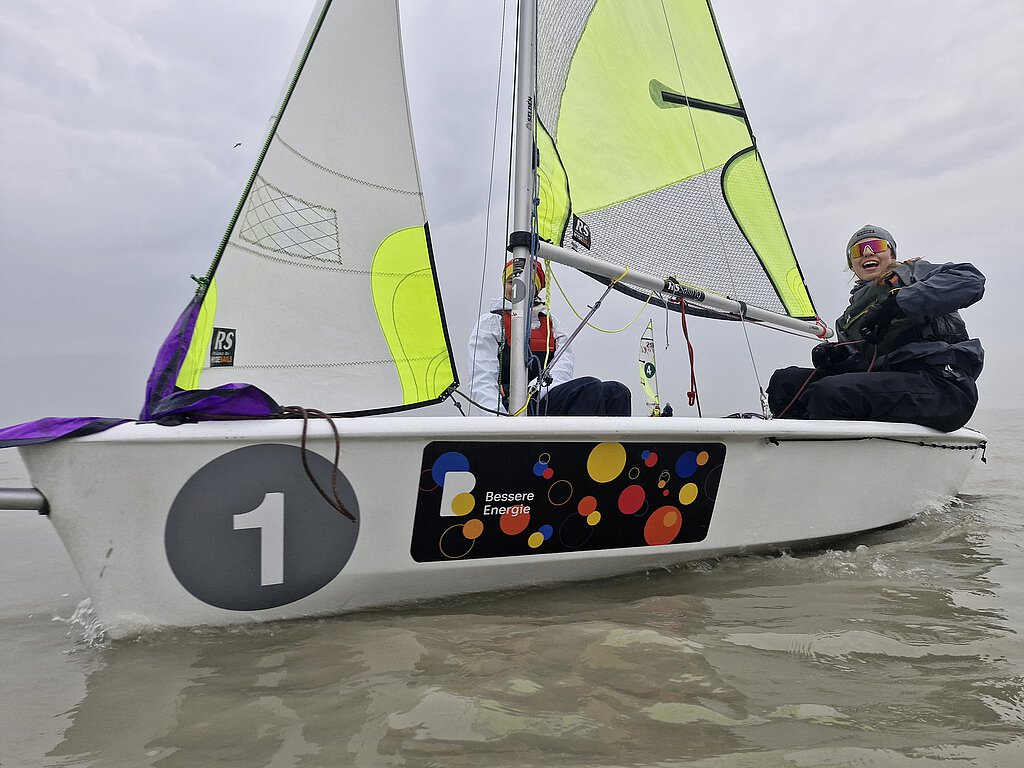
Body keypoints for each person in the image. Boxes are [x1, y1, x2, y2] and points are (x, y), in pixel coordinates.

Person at [767, 224, 985, 432]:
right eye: (858, 250)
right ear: (851, 264)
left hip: (943, 386)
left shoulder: (914, 273)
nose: (868, 252)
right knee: (785, 382)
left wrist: (897, 303)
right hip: (892, 384)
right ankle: (791, 449)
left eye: (877, 246)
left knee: (831, 393)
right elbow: (863, 368)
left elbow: (971, 280)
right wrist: (839, 359)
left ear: (892, 255)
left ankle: (832, 455)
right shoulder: (848, 320)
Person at [467, 257, 632, 416]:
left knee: (617, 392)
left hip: (542, 396)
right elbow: (482, 377)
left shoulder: (550, 323)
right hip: (511, 407)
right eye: (511, 282)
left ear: (536, 288)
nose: (516, 287)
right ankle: (576, 436)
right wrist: (499, 422)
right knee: (590, 386)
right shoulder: (492, 322)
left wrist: (536, 389)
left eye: (525, 282)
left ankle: (614, 436)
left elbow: (563, 365)